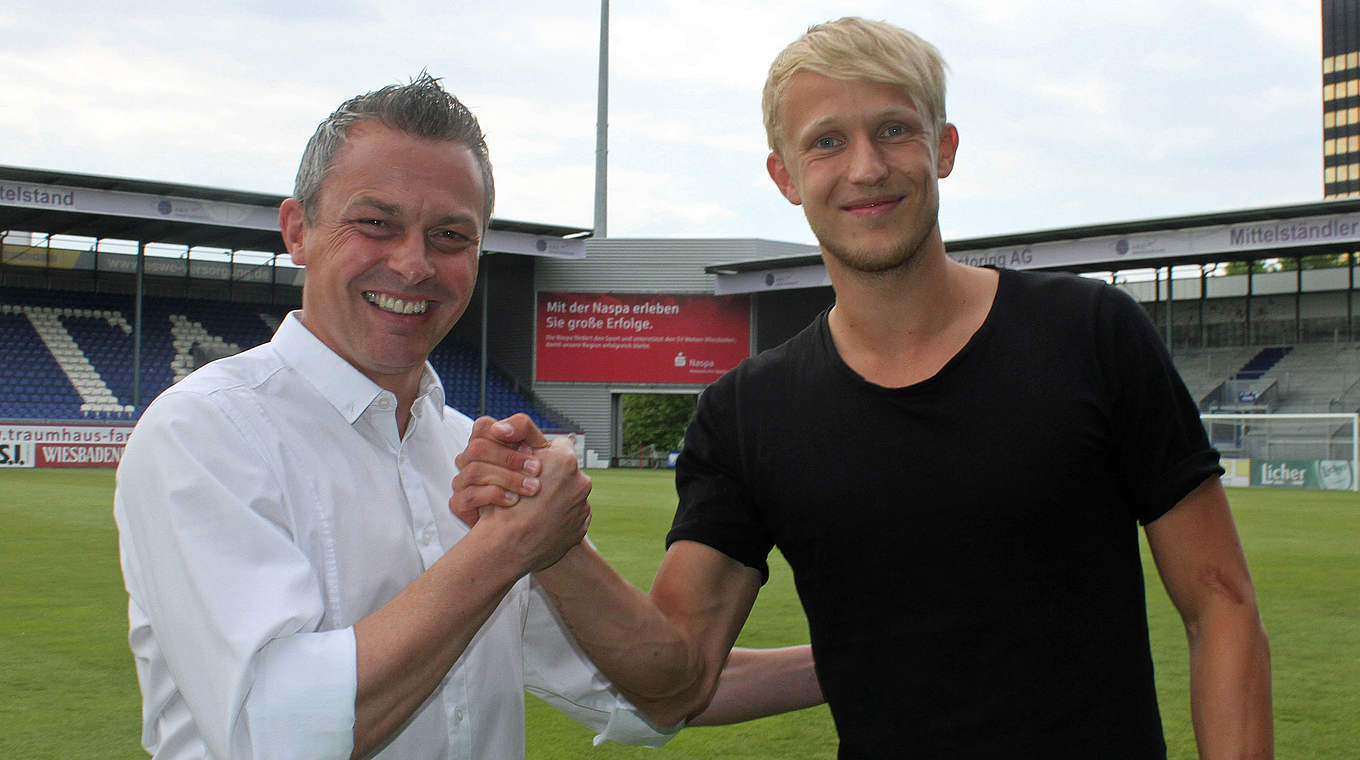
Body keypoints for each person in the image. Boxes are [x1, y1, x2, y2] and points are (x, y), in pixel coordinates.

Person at [454, 17, 1273, 759]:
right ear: (783, 174)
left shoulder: (1092, 333)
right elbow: (676, 679)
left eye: (894, 131)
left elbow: (1221, 603)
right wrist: (551, 546)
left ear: (944, 146)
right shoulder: (747, 413)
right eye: (826, 142)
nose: (867, 169)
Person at [113, 73, 820, 760]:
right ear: (298, 230)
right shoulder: (204, 432)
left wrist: (861, 653)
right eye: (376, 224)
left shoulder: (471, 457)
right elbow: (278, 734)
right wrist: (508, 547)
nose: (414, 264)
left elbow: (651, 690)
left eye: (450, 236)